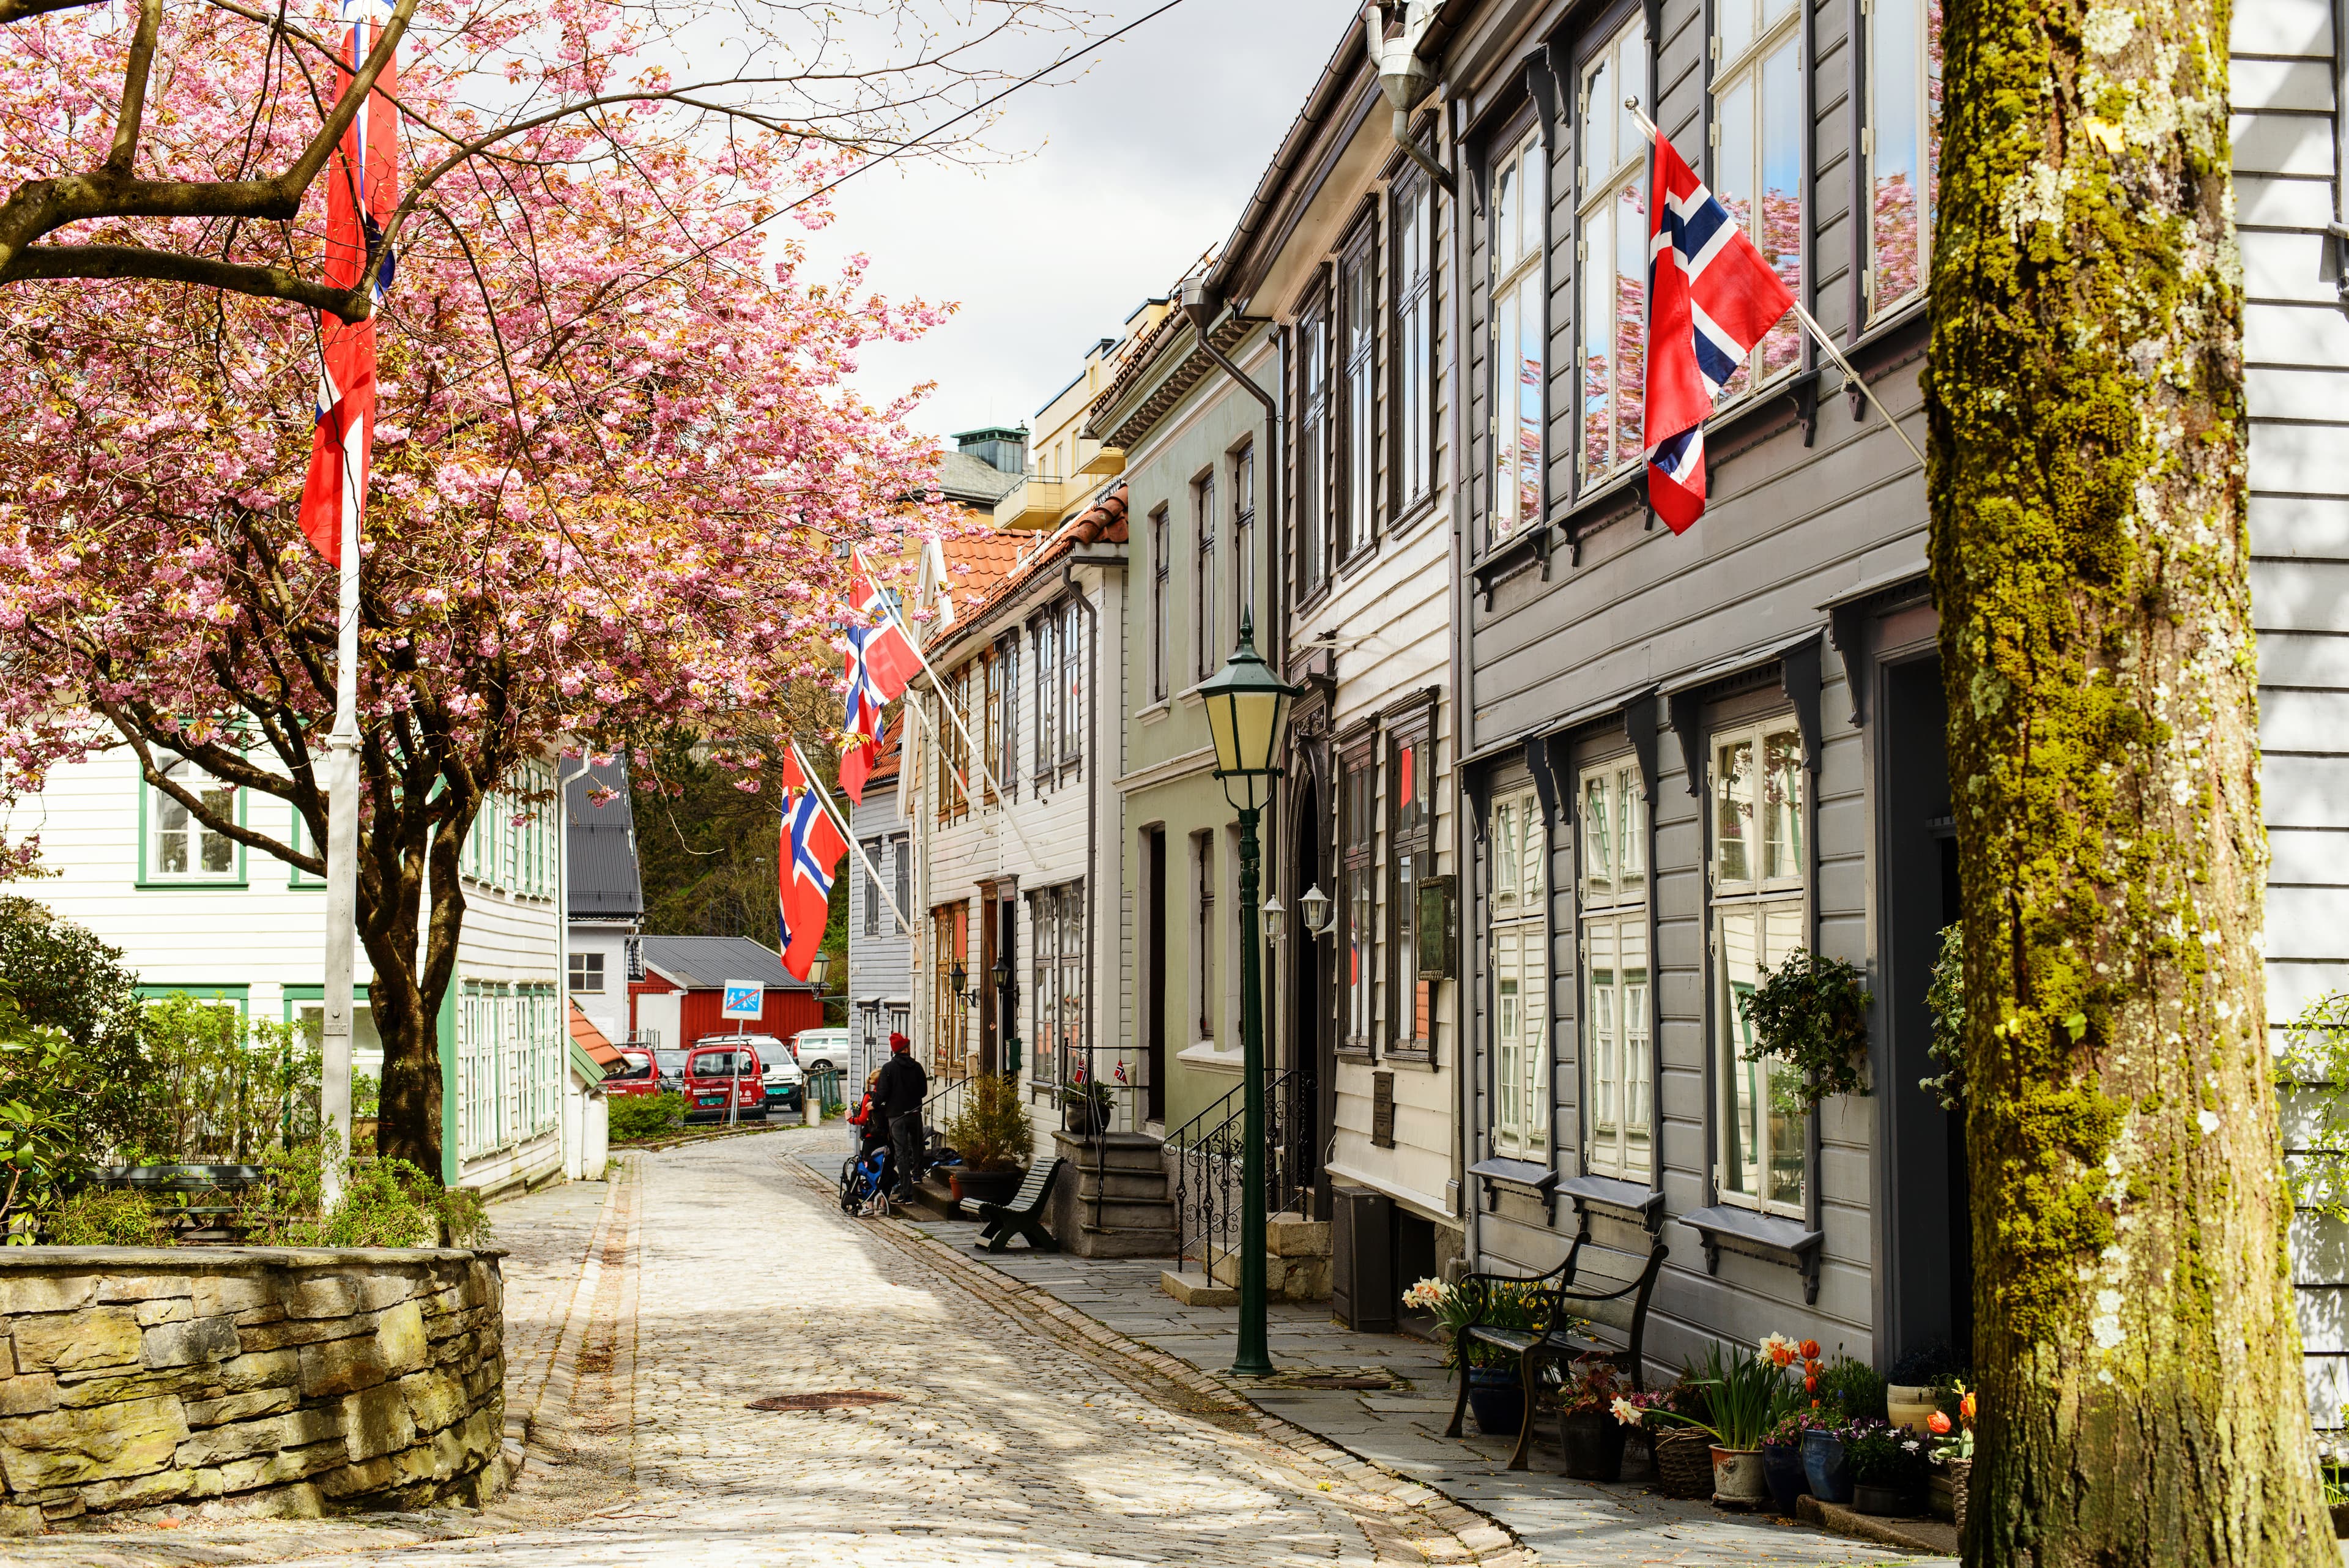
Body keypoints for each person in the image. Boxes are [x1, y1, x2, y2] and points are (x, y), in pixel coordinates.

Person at [871, 1031, 929, 1200]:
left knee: (901, 1152)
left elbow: (882, 1093)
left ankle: (906, 1192)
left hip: (896, 1117)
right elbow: (924, 1091)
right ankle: (918, 1175)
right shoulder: (917, 1067)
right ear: (906, 1048)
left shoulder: (889, 1068)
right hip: (915, 1112)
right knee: (917, 1145)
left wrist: (873, 1104)